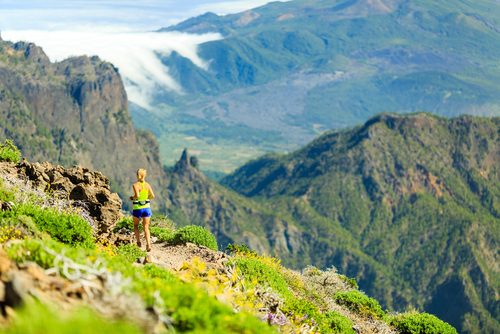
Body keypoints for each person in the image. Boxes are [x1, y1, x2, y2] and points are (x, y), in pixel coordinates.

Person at [130, 168, 155, 252]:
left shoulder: (135, 185)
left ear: (138, 175)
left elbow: (137, 195)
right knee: (146, 227)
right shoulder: (147, 185)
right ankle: (148, 245)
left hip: (138, 208)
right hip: (147, 208)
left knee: (136, 226)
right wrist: (146, 197)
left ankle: (138, 243)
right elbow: (152, 196)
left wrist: (132, 197)